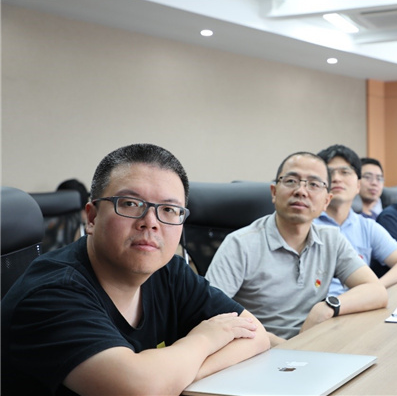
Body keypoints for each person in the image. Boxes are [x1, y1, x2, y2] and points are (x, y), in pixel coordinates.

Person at [1, 144, 270, 396]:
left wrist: (172, 378)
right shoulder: (52, 292)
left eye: (169, 209)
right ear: (92, 217)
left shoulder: (168, 271)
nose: (150, 222)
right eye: (130, 204)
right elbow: (141, 388)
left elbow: (255, 335)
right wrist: (204, 339)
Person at [205, 151, 388, 346]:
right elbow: (210, 313)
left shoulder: (331, 239)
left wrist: (327, 307)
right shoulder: (240, 244)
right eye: (291, 181)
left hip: (315, 345)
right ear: (274, 192)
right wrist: (281, 346)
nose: (301, 191)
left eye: (314, 184)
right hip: (258, 351)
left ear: (326, 201)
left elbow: (377, 291)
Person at [315, 145, 397, 295]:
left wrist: (374, 288)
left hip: (359, 303)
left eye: (345, 172)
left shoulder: (366, 226)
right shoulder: (305, 225)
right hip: (320, 305)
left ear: (358, 185)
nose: (337, 178)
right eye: (330, 173)